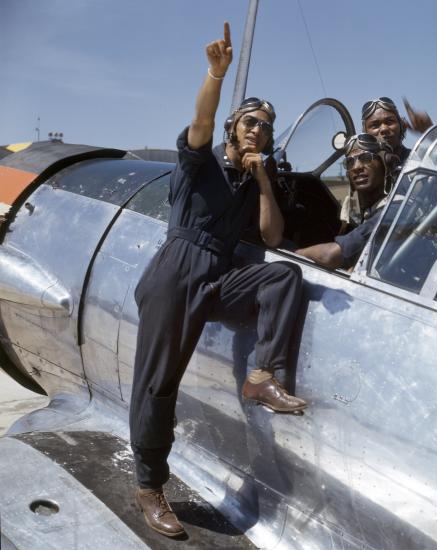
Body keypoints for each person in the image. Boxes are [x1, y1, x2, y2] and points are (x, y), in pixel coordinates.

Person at [130, 22, 306, 538]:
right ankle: (149, 486)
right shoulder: (198, 163)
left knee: (283, 278)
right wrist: (215, 74)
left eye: (266, 127)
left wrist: (265, 180)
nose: (258, 131)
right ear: (234, 126)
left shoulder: (254, 183)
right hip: (177, 272)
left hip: (220, 275)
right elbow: (202, 117)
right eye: (251, 122)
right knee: (158, 386)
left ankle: (261, 377)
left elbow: (272, 239)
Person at [295, 134, 396, 269]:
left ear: (386, 165)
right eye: (350, 162)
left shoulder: (394, 211)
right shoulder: (371, 211)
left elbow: (330, 256)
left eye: (365, 158)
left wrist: (294, 254)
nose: (356, 167)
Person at [360, 96, 432, 168]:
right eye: (375, 125)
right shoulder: (360, 169)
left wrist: (431, 132)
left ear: (401, 126)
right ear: (365, 133)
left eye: (390, 122)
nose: (384, 129)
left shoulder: (419, 162)